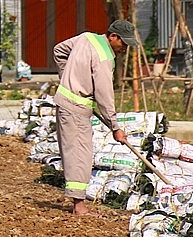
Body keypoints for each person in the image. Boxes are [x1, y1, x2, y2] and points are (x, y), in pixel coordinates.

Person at [53, 19, 137, 216]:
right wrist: (115, 126)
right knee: (80, 155)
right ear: (113, 36)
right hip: (76, 109)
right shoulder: (105, 57)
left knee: (77, 152)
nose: (124, 48)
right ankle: (79, 206)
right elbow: (104, 95)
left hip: (66, 104)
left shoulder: (86, 37)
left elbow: (59, 50)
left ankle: (78, 203)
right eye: (123, 43)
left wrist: (68, 77)